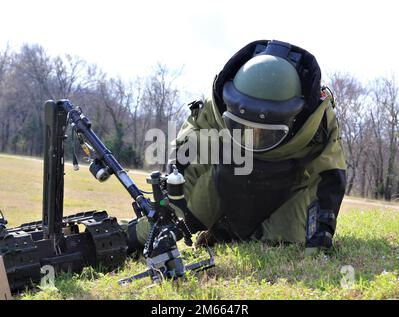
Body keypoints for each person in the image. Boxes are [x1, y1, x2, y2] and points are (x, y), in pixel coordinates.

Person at [125, 39, 347, 255]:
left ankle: (244, 233)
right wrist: (170, 214)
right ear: (229, 106)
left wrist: (319, 237)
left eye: (265, 133)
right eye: (242, 127)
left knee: (286, 241)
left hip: (286, 194)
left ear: (293, 119)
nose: (254, 140)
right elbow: (187, 154)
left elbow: (329, 175)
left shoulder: (319, 123)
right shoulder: (216, 107)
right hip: (226, 184)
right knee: (177, 220)